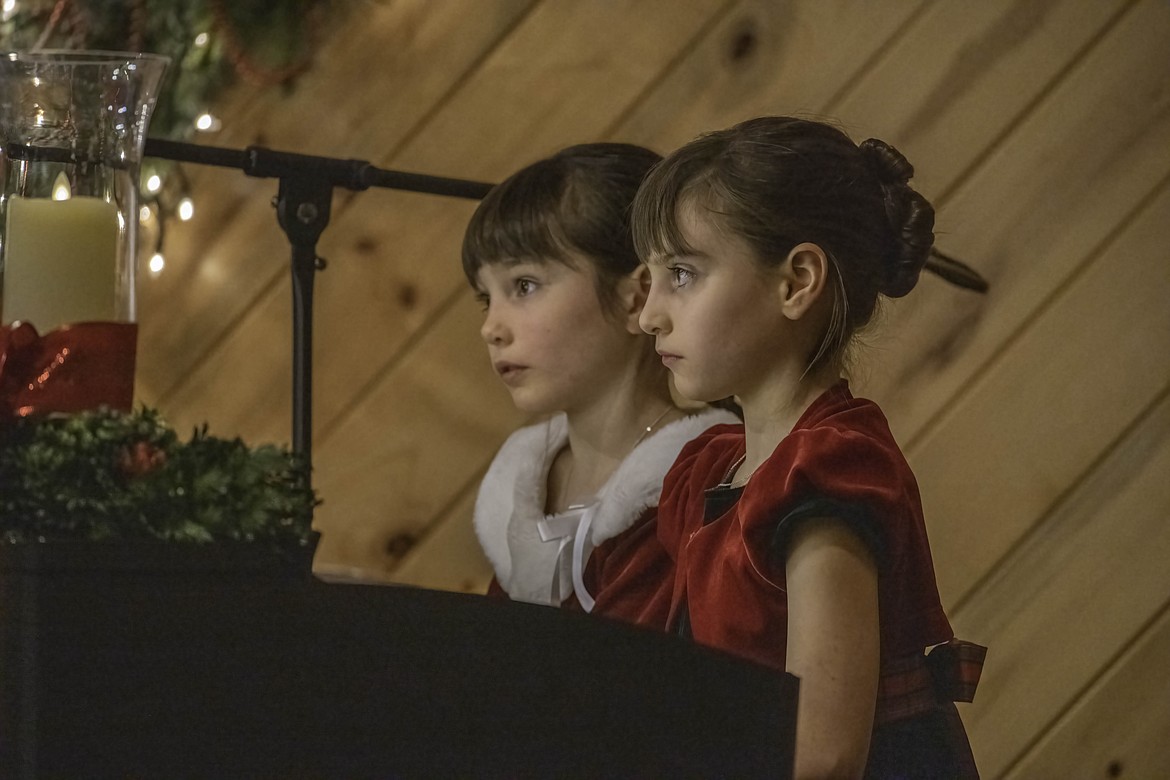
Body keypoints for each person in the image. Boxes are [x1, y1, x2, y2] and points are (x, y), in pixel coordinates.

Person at [633, 117, 985, 778]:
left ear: (796, 282)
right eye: (649, 278)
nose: (651, 313)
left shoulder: (826, 474)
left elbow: (823, 758)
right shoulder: (710, 469)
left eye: (681, 274)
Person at [463, 142, 738, 626]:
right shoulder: (520, 489)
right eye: (486, 298)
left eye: (524, 286)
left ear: (637, 298)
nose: (492, 327)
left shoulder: (705, 482)